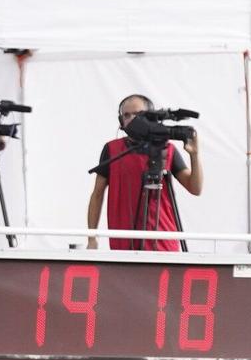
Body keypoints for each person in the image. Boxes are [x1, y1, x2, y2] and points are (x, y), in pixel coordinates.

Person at [85, 94, 203, 251]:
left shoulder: (167, 150)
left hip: (163, 241)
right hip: (124, 242)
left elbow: (195, 188)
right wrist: (92, 238)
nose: (131, 119)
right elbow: (97, 194)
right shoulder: (112, 149)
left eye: (137, 114)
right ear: (121, 121)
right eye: (126, 115)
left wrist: (194, 155)